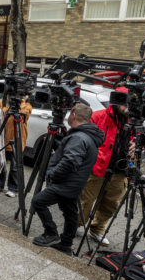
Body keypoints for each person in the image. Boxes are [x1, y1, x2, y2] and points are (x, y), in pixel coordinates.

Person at [32, 104, 103, 254]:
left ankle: (51, 233)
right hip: (75, 184)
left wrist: (52, 174)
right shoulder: (87, 135)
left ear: (74, 115)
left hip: (65, 183)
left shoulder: (78, 137)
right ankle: (66, 244)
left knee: (38, 201)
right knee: (70, 212)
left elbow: (70, 162)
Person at [78, 90, 134, 247]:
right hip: (98, 168)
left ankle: (97, 228)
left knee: (111, 203)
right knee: (85, 201)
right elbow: (84, 140)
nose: (127, 106)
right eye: (125, 103)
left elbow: (137, 141)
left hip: (120, 170)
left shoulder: (133, 121)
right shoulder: (98, 116)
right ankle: (75, 224)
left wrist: (135, 145)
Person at [0, 94, 33, 197]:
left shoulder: (26, 105)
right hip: (3, 139)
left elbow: (23, 114)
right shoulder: (4, 100)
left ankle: (13, 188)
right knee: (1, 162)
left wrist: (18, 103)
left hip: (17, 140)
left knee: (15, 166)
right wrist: (8, 104)